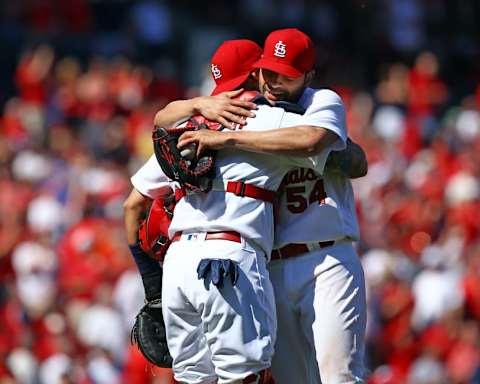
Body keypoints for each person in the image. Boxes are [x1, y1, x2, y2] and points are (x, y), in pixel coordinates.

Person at [128, 39, 343, 383]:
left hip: (177, 267)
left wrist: (153, 290)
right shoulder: (273, 120)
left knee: (192, 379)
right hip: (228, 260)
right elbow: (321, 144)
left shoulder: (190, 124)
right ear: (257, 73)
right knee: (245, 377)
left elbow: (133, 205)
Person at [177, 29, 367, 383]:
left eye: (287, 75)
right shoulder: (238, 107)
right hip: (270, 267)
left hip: (326, 258)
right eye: (268, 71)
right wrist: (195, 105)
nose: (275, 82)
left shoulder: (321, 102)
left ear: (308, 76)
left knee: (338, 376)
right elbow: (163, 120)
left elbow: (316, 142)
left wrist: (229, 138)